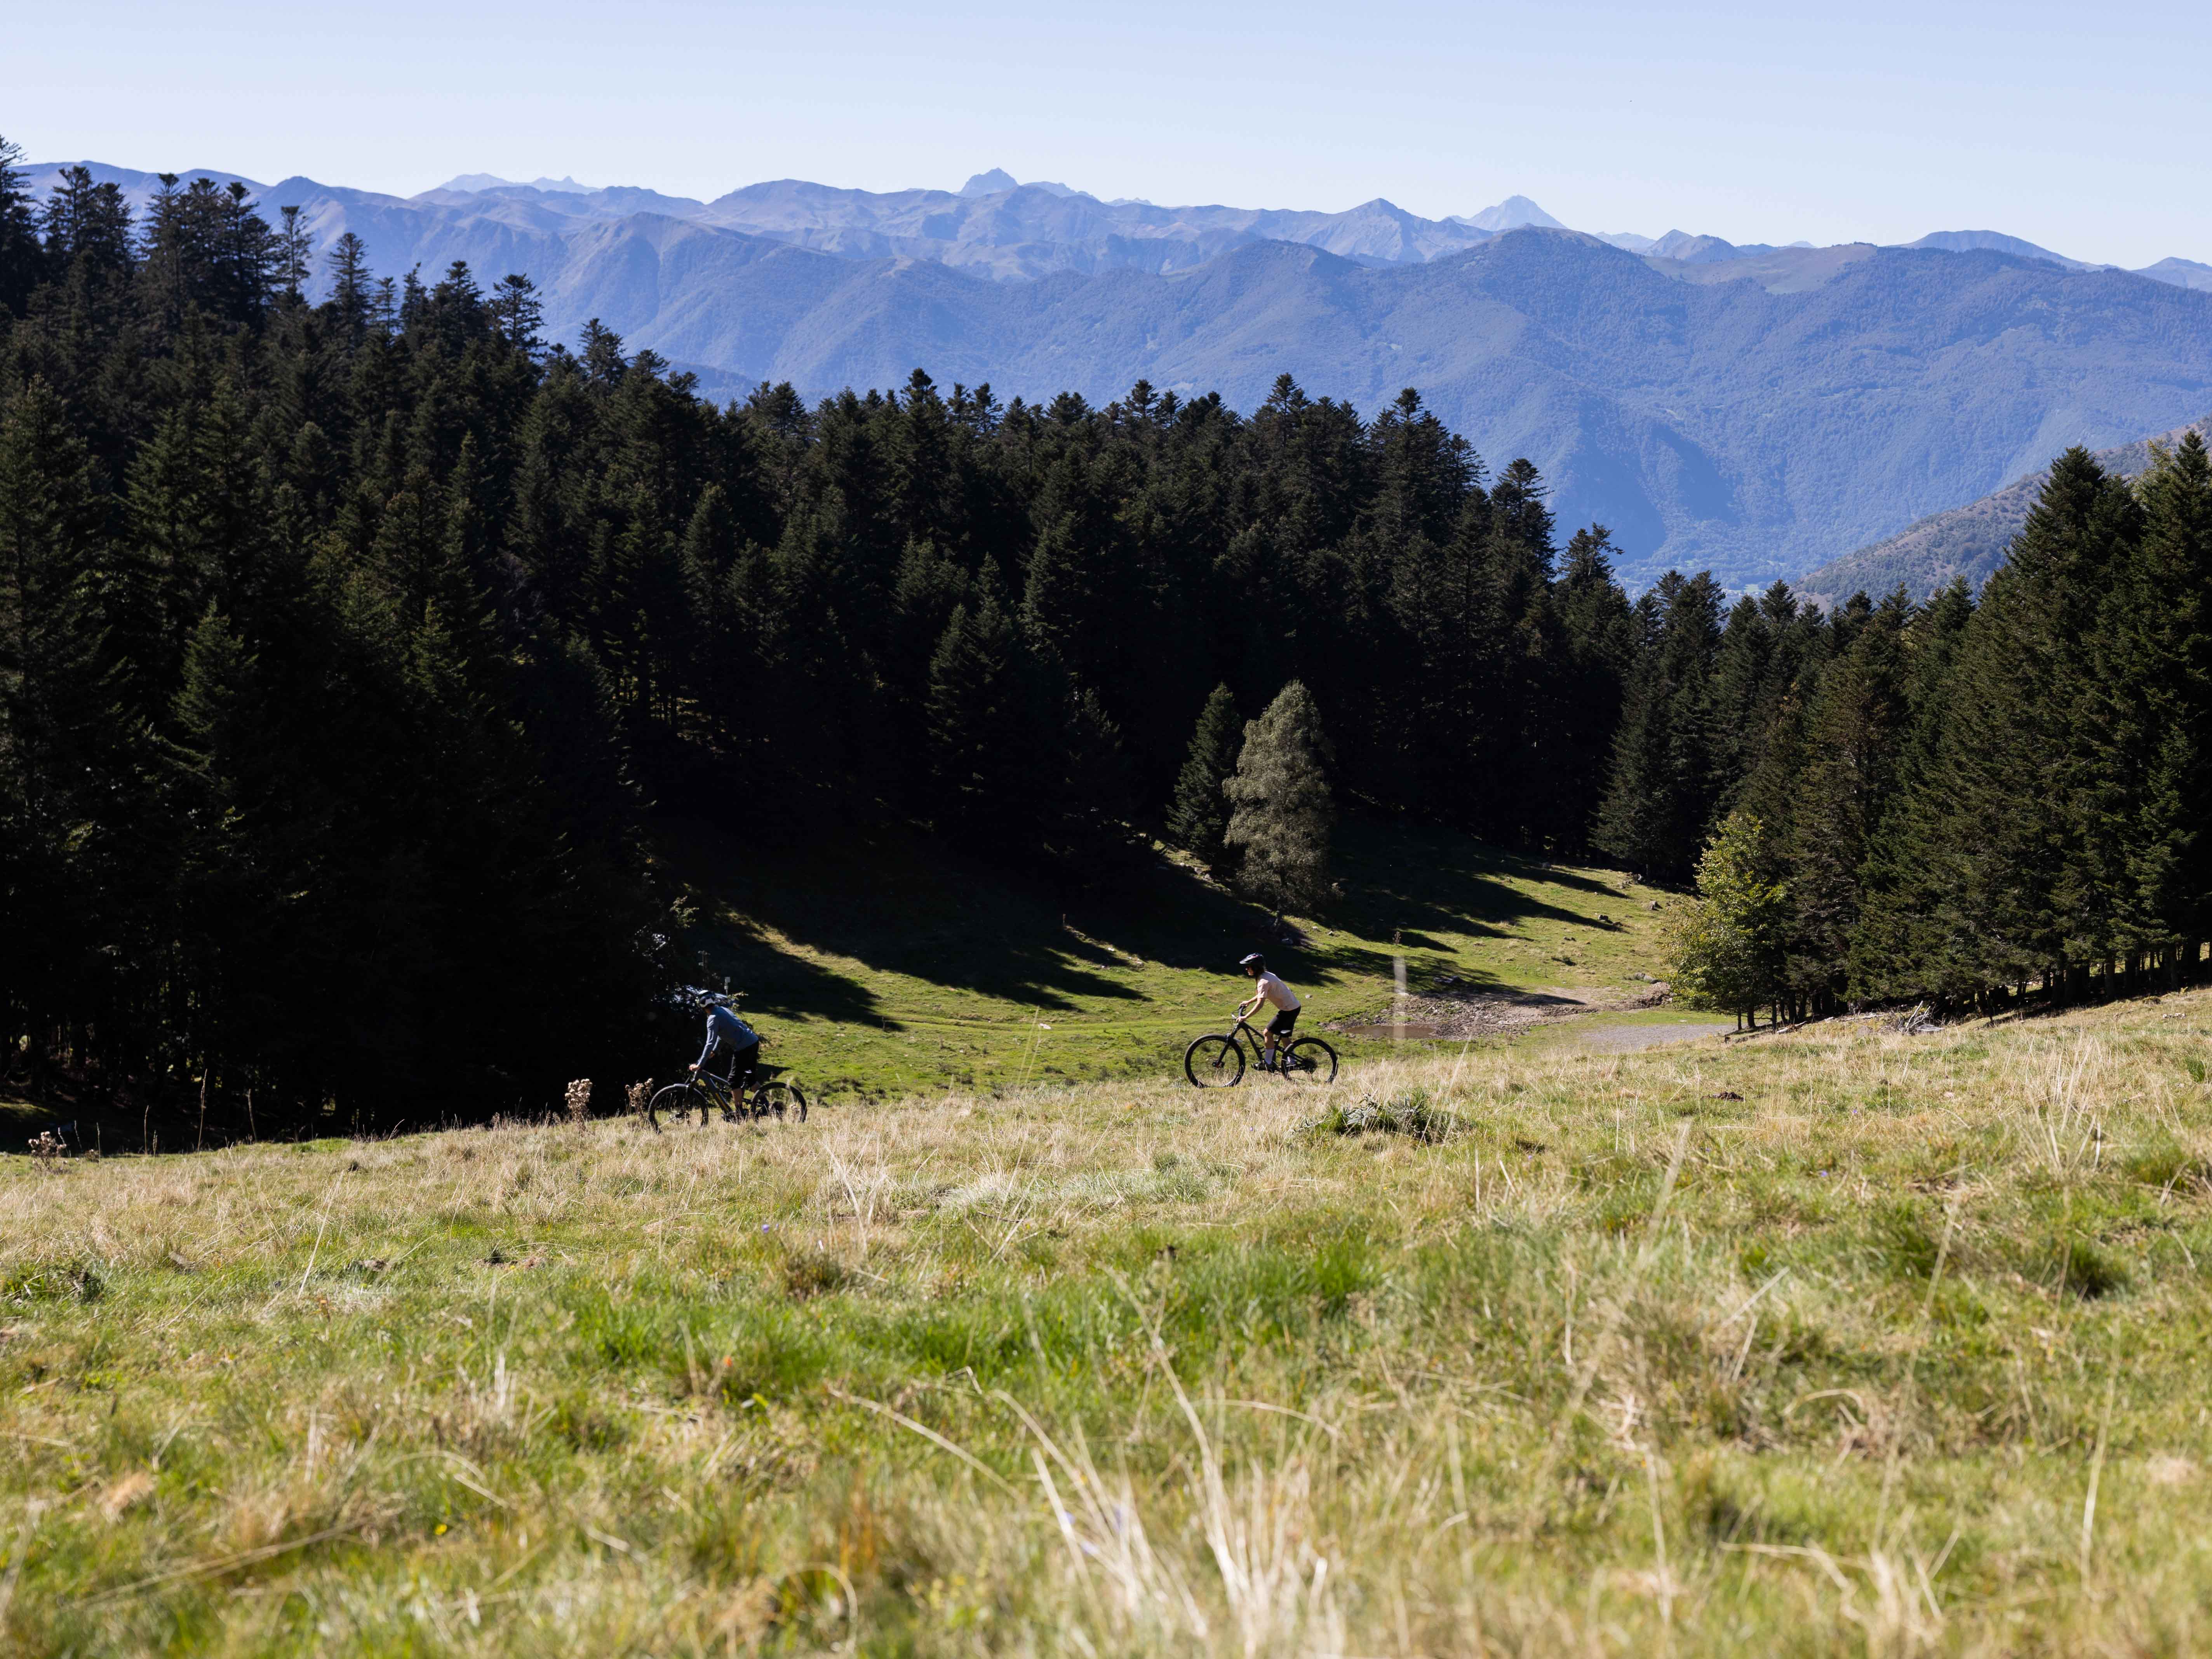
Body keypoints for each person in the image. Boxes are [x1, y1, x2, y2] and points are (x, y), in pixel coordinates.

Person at [1236, 952, 1302, 1071]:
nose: (1247, 969)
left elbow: (1260, 1005)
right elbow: (1263, 994)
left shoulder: (1263, 982)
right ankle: (1292, 1062)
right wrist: (1249, 1002)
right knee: (1284, 1036)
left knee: (1267, 1033)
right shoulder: (1266, 976)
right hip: (1293, 1007)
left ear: (1255, 967)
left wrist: (1245, 1017)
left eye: (1248, 967)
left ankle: (1268, 1063)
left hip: (1289, 1010)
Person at [691, 994, 761, 1093]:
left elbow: (710, 1043)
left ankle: (738, 1105)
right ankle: (764, 1102)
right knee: (751, 1080)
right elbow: (723, 1034)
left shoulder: (713, 1019)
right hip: (753, 1041)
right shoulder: (723, 1010)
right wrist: (715, 1051)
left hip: (744, 1047)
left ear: (704, 1009)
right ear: (714, 1003)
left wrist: (700, 1065)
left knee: (733, 1081)